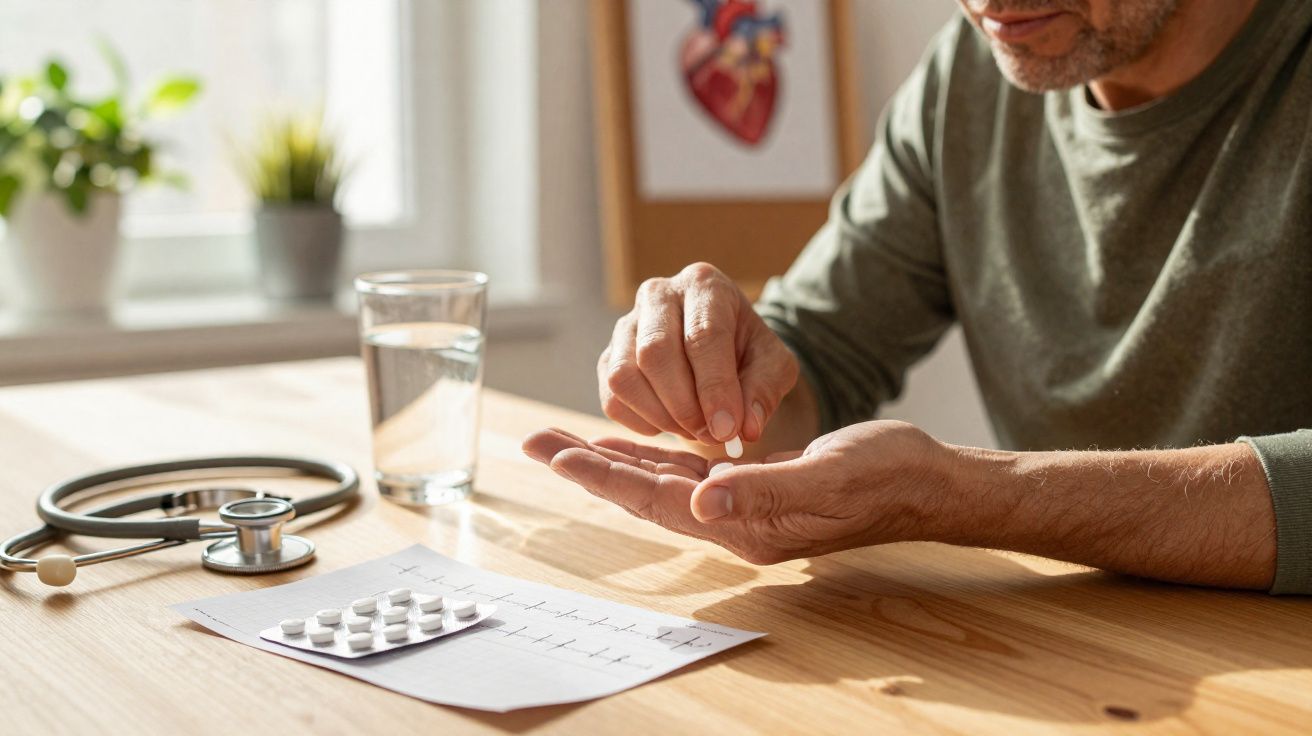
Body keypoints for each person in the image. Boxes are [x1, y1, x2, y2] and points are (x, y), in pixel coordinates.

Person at [524, 0, 1312, 594]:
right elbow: (817, 359)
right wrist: (723, 377)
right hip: (1074, 659)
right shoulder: (968, 75)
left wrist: (963, 498)